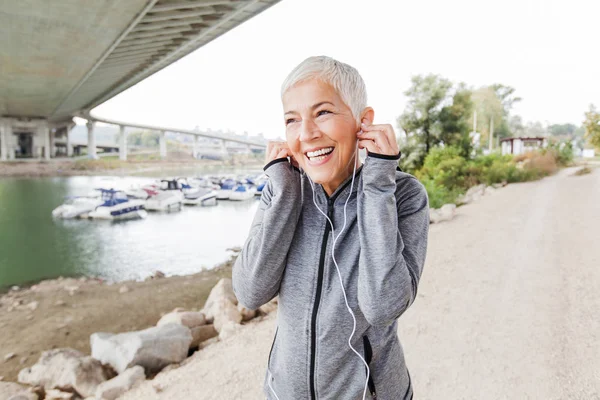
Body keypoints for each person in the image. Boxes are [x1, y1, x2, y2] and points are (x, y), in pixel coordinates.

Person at [232, 56, 429, 400]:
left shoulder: (404, 195)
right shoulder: (283, 190)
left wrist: (379, 182)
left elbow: (383, 306)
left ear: (363, 122)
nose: (306, 134)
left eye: (322, 112)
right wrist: (283, 194)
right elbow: (250, 292)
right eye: (292, 120)